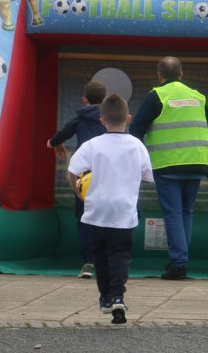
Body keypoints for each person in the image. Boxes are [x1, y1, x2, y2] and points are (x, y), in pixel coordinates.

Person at [67, 93, 153, 324]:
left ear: (102, 120)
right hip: (124, 212)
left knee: (101, 255)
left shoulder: (92, 145)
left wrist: (79, 192)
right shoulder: (137, 146)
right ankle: (118, 296)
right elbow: (147, 176)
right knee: (120, 255)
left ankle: (105, 297)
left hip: (97, 211)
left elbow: (72, 170)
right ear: (129, 118)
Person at [129, 56, 208, 280]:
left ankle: (178, 264)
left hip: (168, 163)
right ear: (182, 74)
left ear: (159, 75)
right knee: (186, 212)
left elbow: (136, 129)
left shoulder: (157, 95)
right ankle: (180, 259)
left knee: (174, 213)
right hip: (198, 161)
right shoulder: (198, 96)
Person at [47, 81, 108, 279]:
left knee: (84, 219)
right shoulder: (110, 119)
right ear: (104, 99)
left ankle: (88, 262)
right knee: (108, 217)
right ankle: (109, 259)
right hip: (108, 175)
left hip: (85, 178)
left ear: (84, 99)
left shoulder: (79, 119)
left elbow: (59, 136)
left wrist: (53, 143)